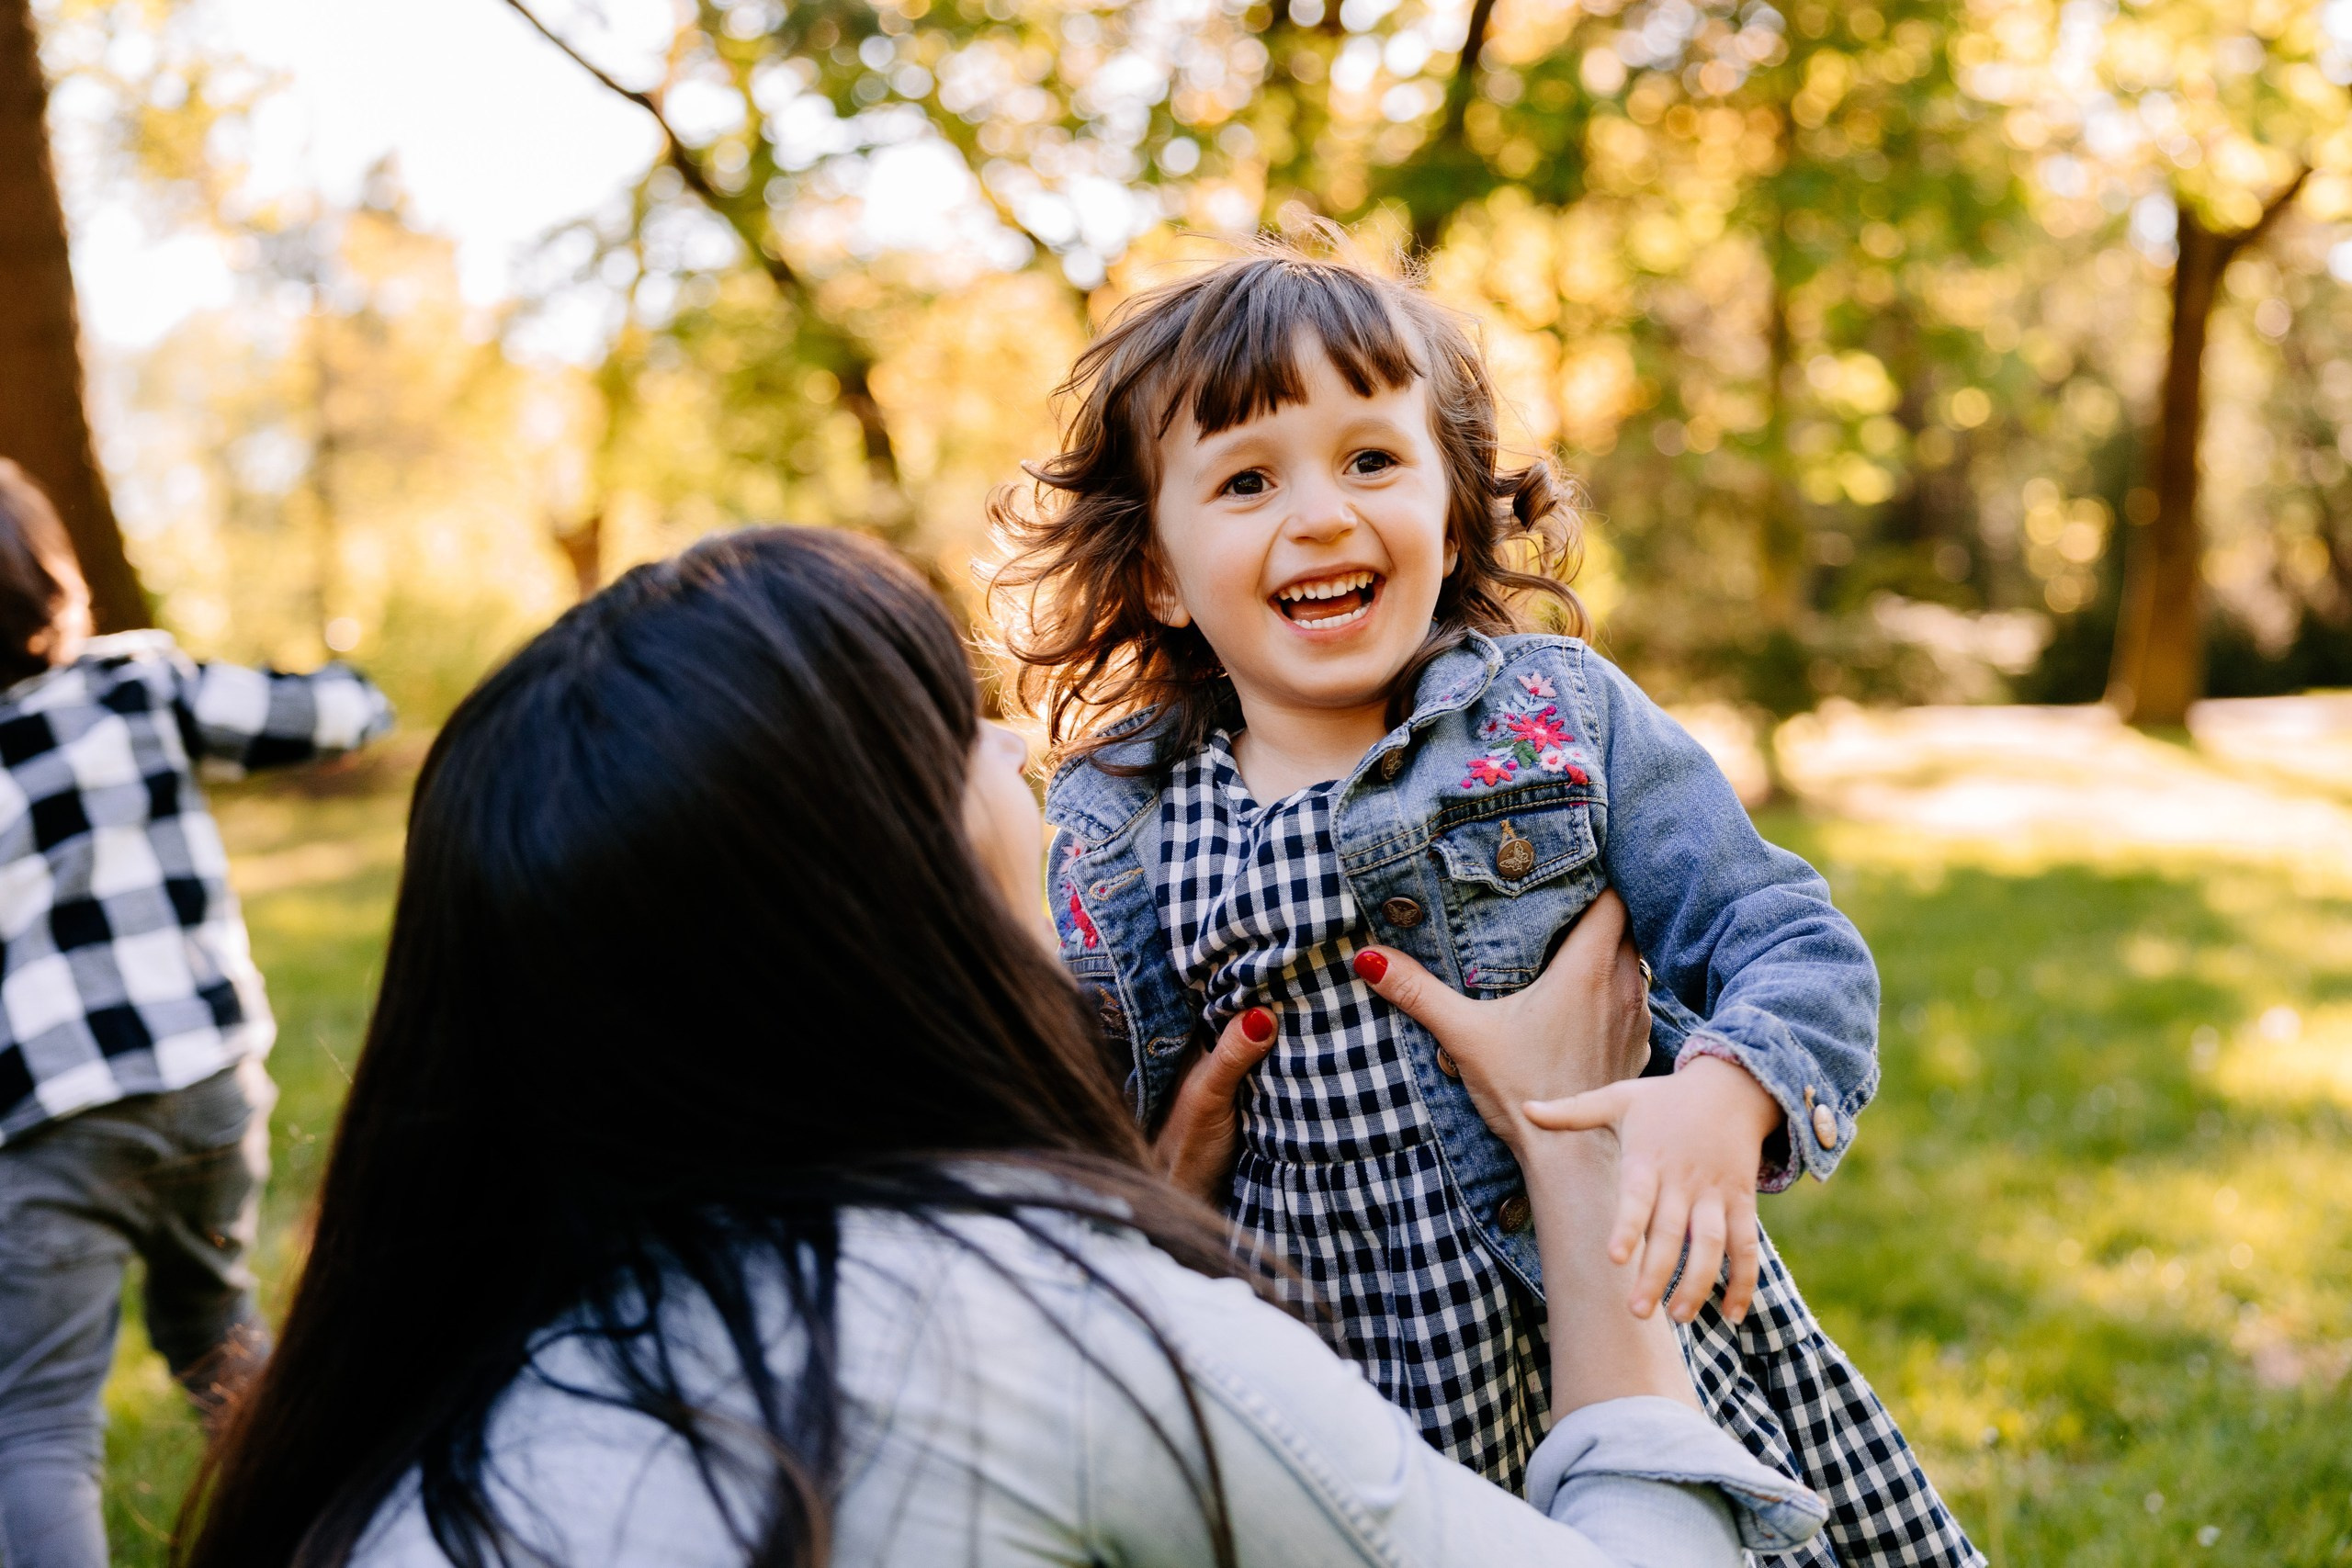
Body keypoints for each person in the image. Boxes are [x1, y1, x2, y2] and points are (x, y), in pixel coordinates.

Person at [177, 526, 1825, 1568]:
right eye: (939, 718)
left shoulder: (449, 1374)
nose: (1008, 749)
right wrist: (1588, 1190)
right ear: (872, 906)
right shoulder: (1045, 1331)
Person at [989, 240, 1980, 1564]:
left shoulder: (1556, 717)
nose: (1322, 514)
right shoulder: (1126, 826)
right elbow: (1088, 1104)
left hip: (1612, 1304)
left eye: (1370, 459)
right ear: (1161, 574)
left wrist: (1726, 1092)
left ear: (1455, 511)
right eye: (1244, 480)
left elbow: (1786, 936)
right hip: (1327, 1361)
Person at [0, 460, 392, 1567]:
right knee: (215, 1328)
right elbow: (331, 713)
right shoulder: (140, 687)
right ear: (51, 576)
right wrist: (357, 688)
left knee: (36, 1423)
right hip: (205, 1092)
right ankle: (332, 1537)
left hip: (47, 1124)